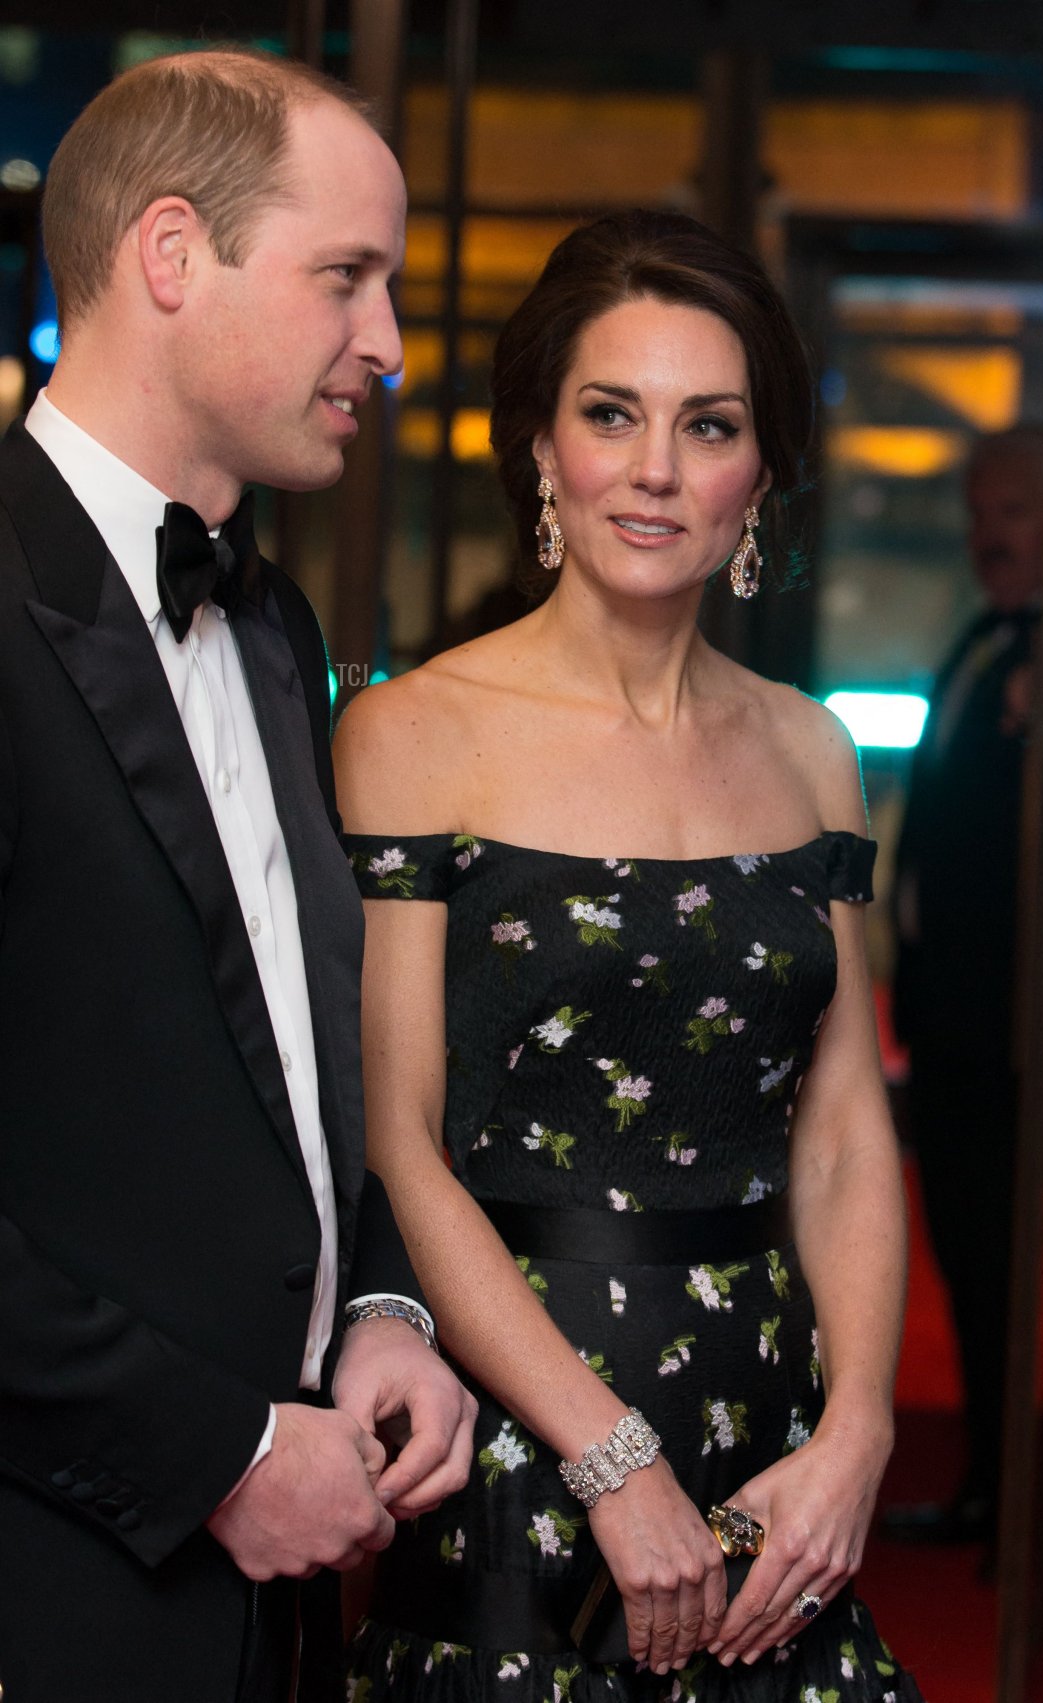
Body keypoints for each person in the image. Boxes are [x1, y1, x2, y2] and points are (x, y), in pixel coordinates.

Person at [335, 210, 923, 1700]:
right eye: (612, 414)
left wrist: (859, 1427)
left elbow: (846, 1131)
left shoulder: (813, 749)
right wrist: (611, 1456)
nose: (656, 468)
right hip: (519, 1423)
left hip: (774, 1446)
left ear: (760, 475)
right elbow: (401, 1140)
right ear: (543, 445)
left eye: (708, 424)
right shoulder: (413, 732)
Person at [0, 49, 476, 1703]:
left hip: (264, 1614)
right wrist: (213, 1452)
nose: (389, 343)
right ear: (170, 254)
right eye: (346, 276)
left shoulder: (273, 622)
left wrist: (385, 1303)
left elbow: (292, 1040)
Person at [882, 427, 1043, 1550]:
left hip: (1015, 1027)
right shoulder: (983, 642)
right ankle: (994, 1480)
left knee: (996, 1265)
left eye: (1014, 511)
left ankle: (1012, 1494)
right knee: (967, 1258)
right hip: (951, 1021)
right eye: (979, 512)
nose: (988, 534)